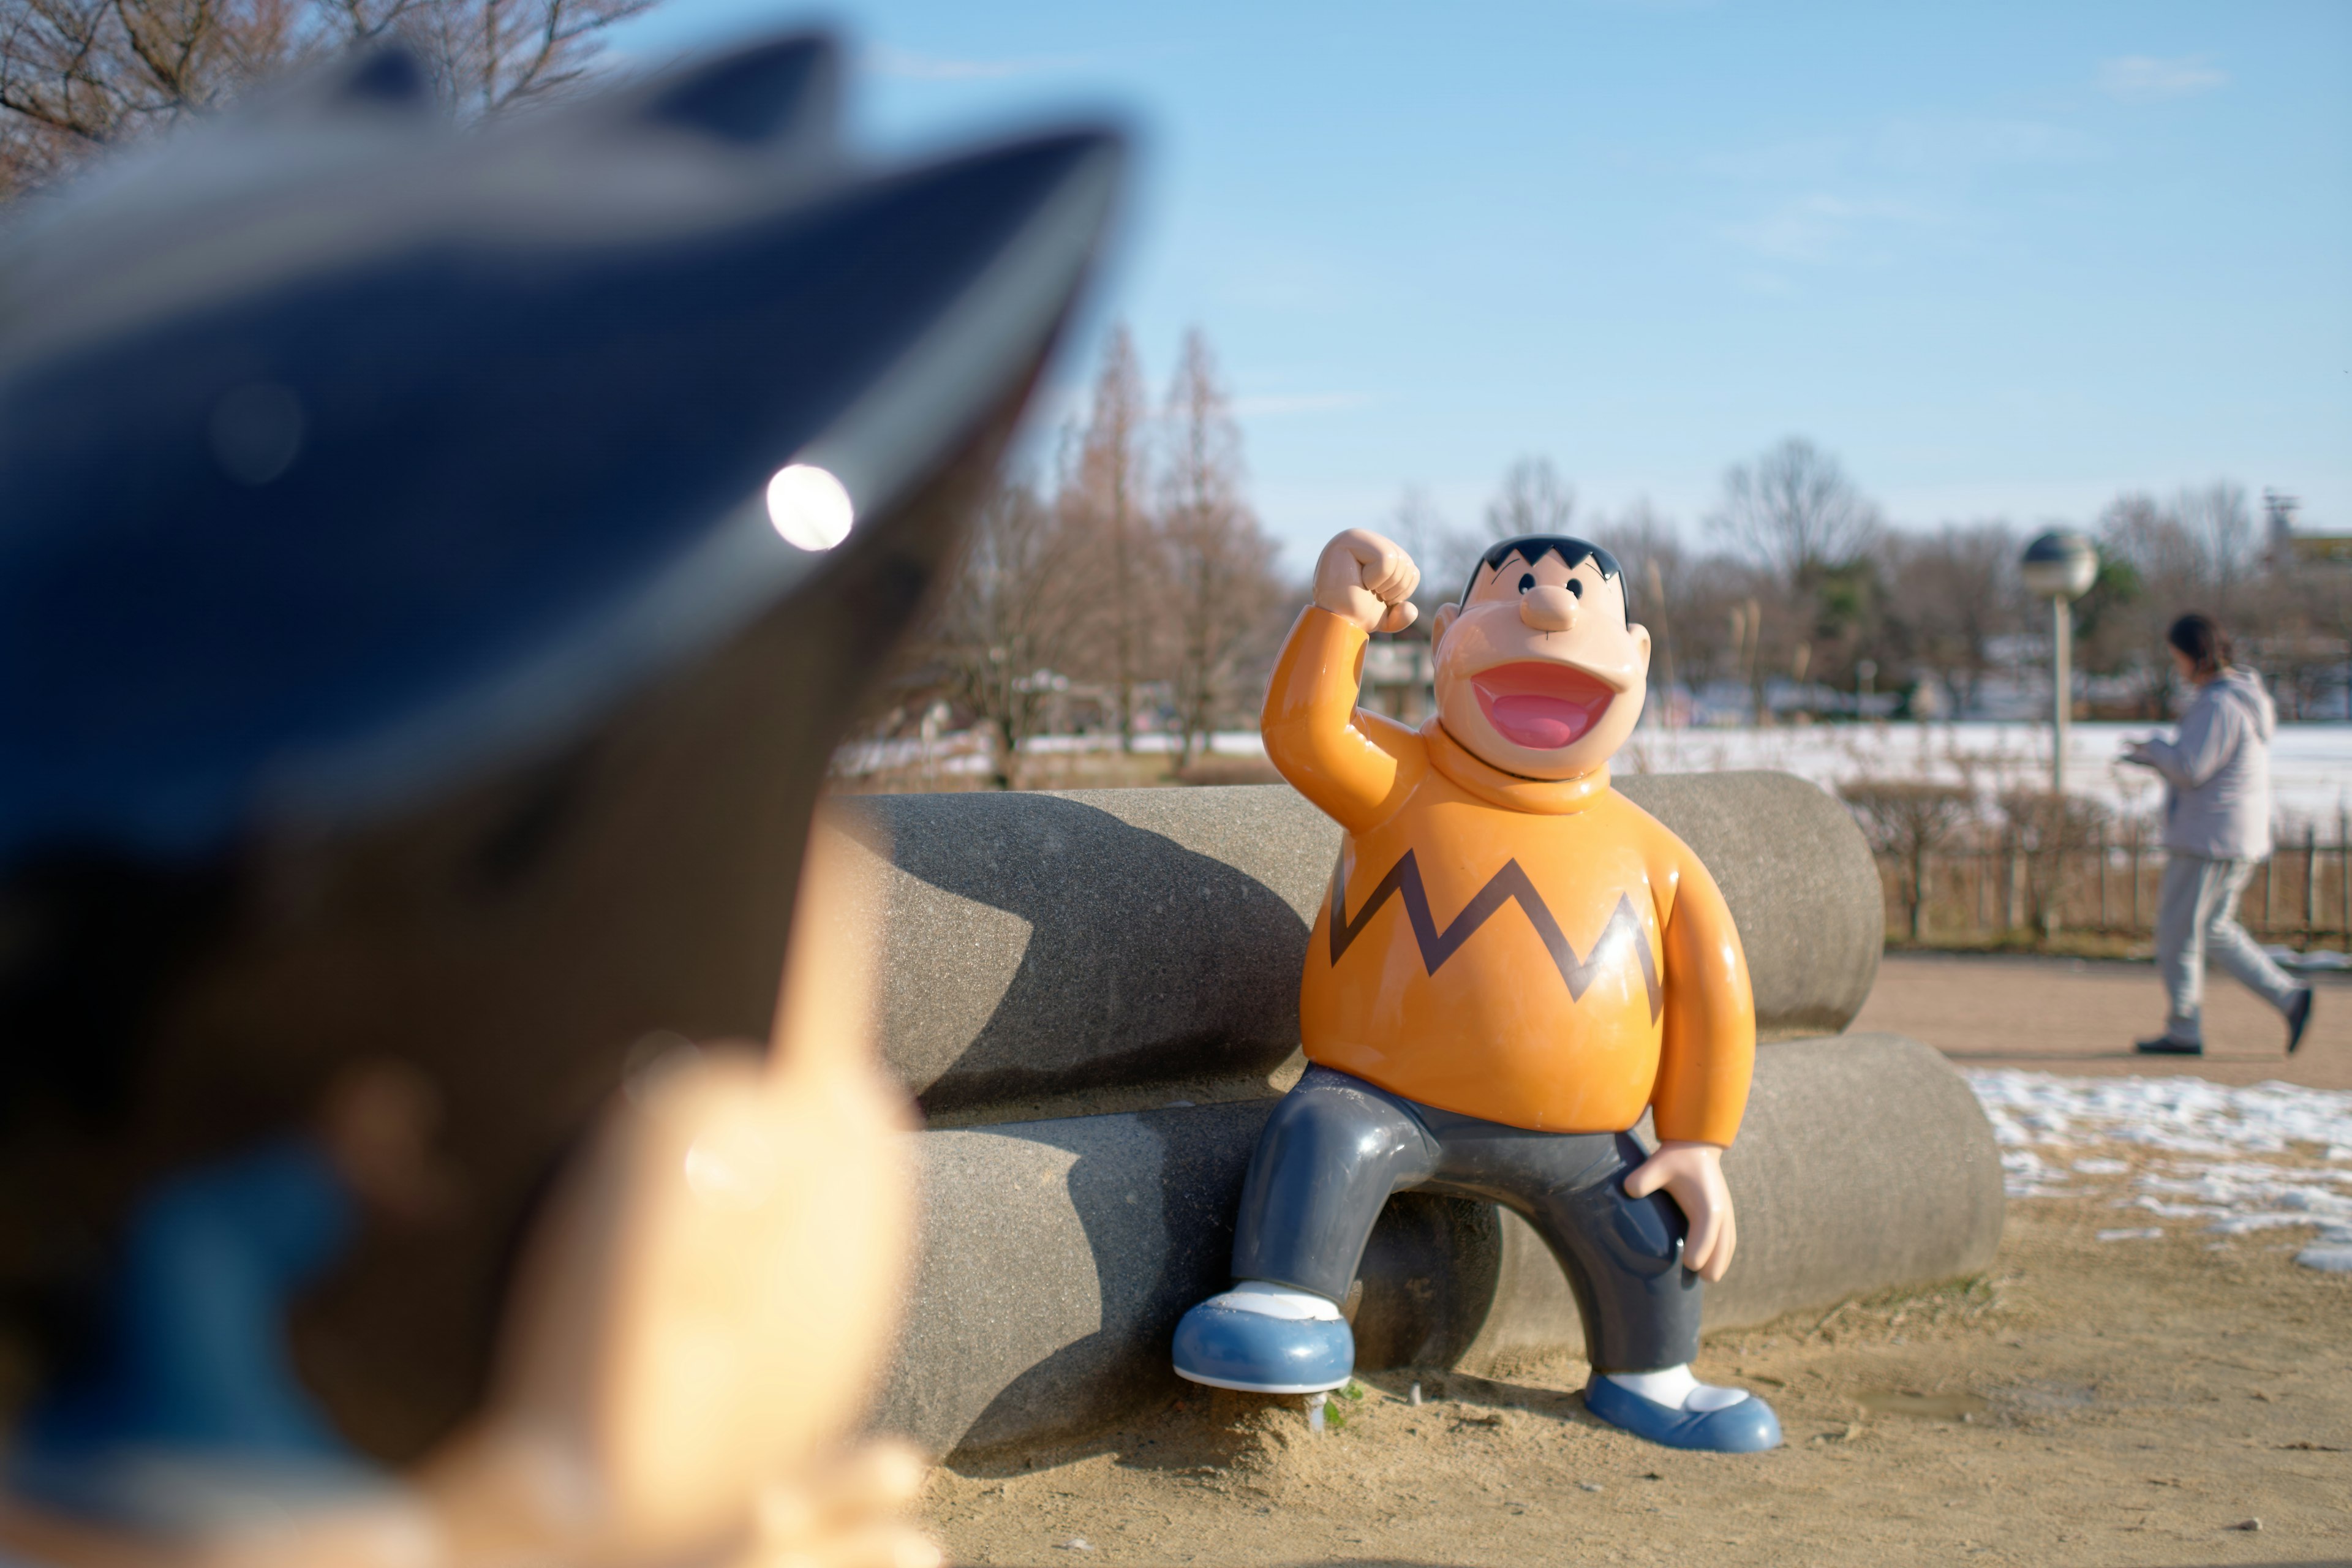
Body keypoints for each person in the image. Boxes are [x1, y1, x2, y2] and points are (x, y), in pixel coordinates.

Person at [1169, 528, 1779, 1453]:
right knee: (1321, 1136)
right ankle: (1289, 1300)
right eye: (1519, 593)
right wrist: (1342, 615)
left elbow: (1714, 995)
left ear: (1638, 657)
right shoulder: (1401, 782)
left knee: (1648, 1224)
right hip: (1384, 1099)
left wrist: (1697, 1142)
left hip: (1587, 1143)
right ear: (1450, 635)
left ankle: (1652, 1373)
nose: (1549, 609)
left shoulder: (1655, 856)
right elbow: (1303, 731)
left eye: (1579, 597)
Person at [2121, 613, 2315, 1056]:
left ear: (2195, 655)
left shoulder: (2217, 704)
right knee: (2214, 929)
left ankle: (2184, 1028)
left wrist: (2152, 750)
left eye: (2177, 658)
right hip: (2232, 835)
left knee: (2178, 934)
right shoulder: (2242, 697)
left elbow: (2191, 768)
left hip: (2208, 837)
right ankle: (2289, 997)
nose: (2177, 668)